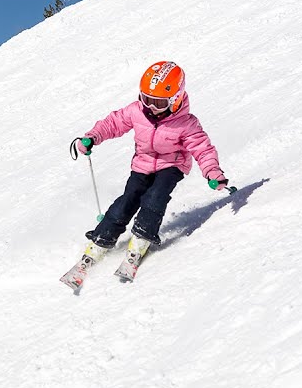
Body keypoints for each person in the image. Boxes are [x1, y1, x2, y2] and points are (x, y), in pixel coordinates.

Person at [72, 60, 228, 268]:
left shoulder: (186, 123)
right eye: (147, 99)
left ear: (176, 99)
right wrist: (93, 137)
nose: (152, 108)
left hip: (171, 166)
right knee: (126, 202)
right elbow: (113, 123)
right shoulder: (137, 111)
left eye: (160, 103)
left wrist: (213, 172)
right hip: (142, 165)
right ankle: (101, 239)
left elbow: (202, 148)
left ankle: (142, 236)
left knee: (155, 198)